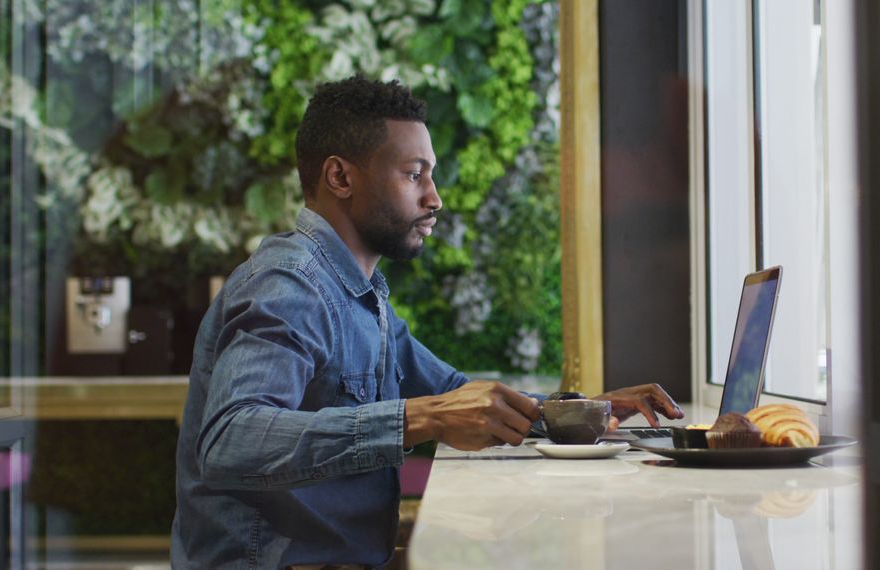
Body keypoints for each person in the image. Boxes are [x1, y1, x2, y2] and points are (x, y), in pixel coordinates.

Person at [170, 76, 684, 569]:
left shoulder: (363, 298)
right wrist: (424, 417)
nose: (434, 197)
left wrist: (586, 411)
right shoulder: (289, 286)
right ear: (340, 177)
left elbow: (460, 395)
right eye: (414, 174)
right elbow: (230, 441)